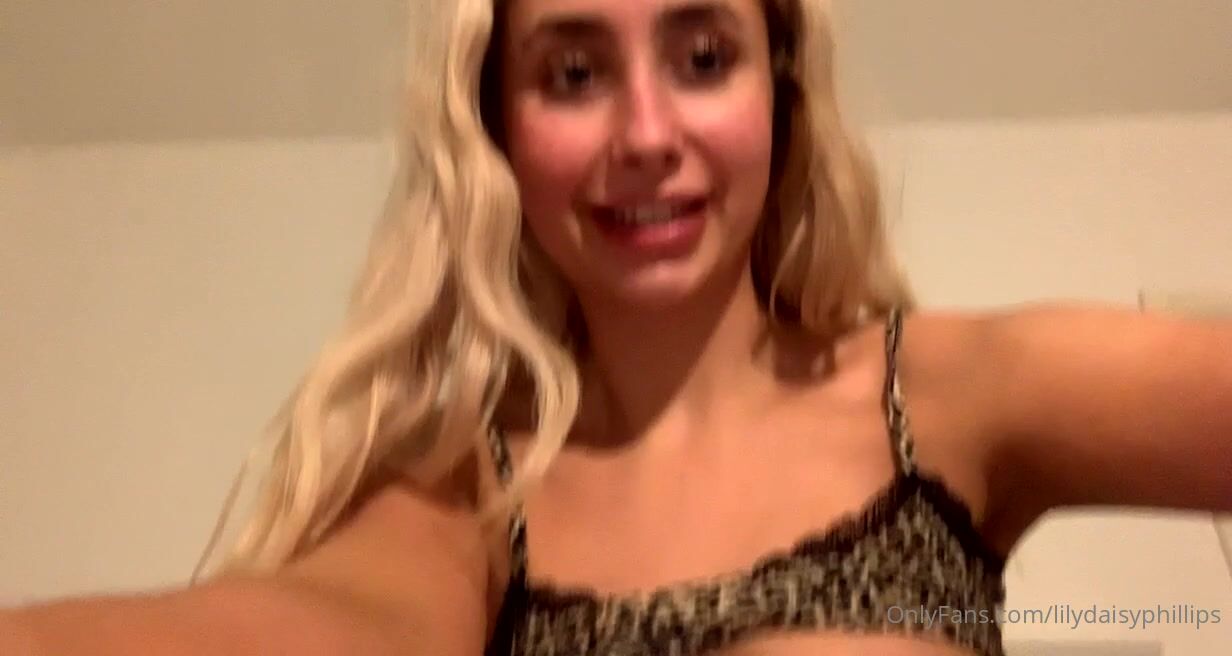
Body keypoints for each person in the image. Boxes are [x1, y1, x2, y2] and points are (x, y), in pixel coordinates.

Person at [3, 1, 1229, 655]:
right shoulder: (466, 498)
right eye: (574, 74)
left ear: (775, 86)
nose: (645, 134)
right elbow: (308, 630)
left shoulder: (944, 396)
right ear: (497, 129)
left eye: (700, 54)